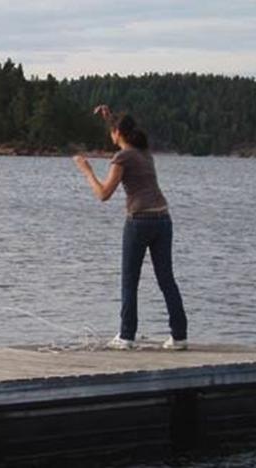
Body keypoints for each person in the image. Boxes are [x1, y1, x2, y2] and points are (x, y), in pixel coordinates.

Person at [73, 105, 188, 350]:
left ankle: (126, 336)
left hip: (140, 221)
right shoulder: (144, 152)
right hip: (163, 219)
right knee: (166, 279)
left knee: (129, 280)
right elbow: (121, 129)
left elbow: (103, 194)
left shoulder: (123, 157)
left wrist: (87, 171)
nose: (109, 137)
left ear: (117, 133)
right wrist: (109, 116)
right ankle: (179, 336)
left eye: (111, 132)